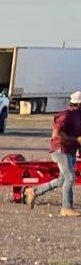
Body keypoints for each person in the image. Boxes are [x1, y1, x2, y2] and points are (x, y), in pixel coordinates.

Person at [55, 90, 81, 218]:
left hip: (70, 150)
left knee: (62, 180)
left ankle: (33, 191)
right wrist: (75, 140)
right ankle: (66, 208)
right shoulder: (66, 116)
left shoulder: (78, 116)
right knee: (70, 177)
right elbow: (56, 135)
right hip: (60, 149)